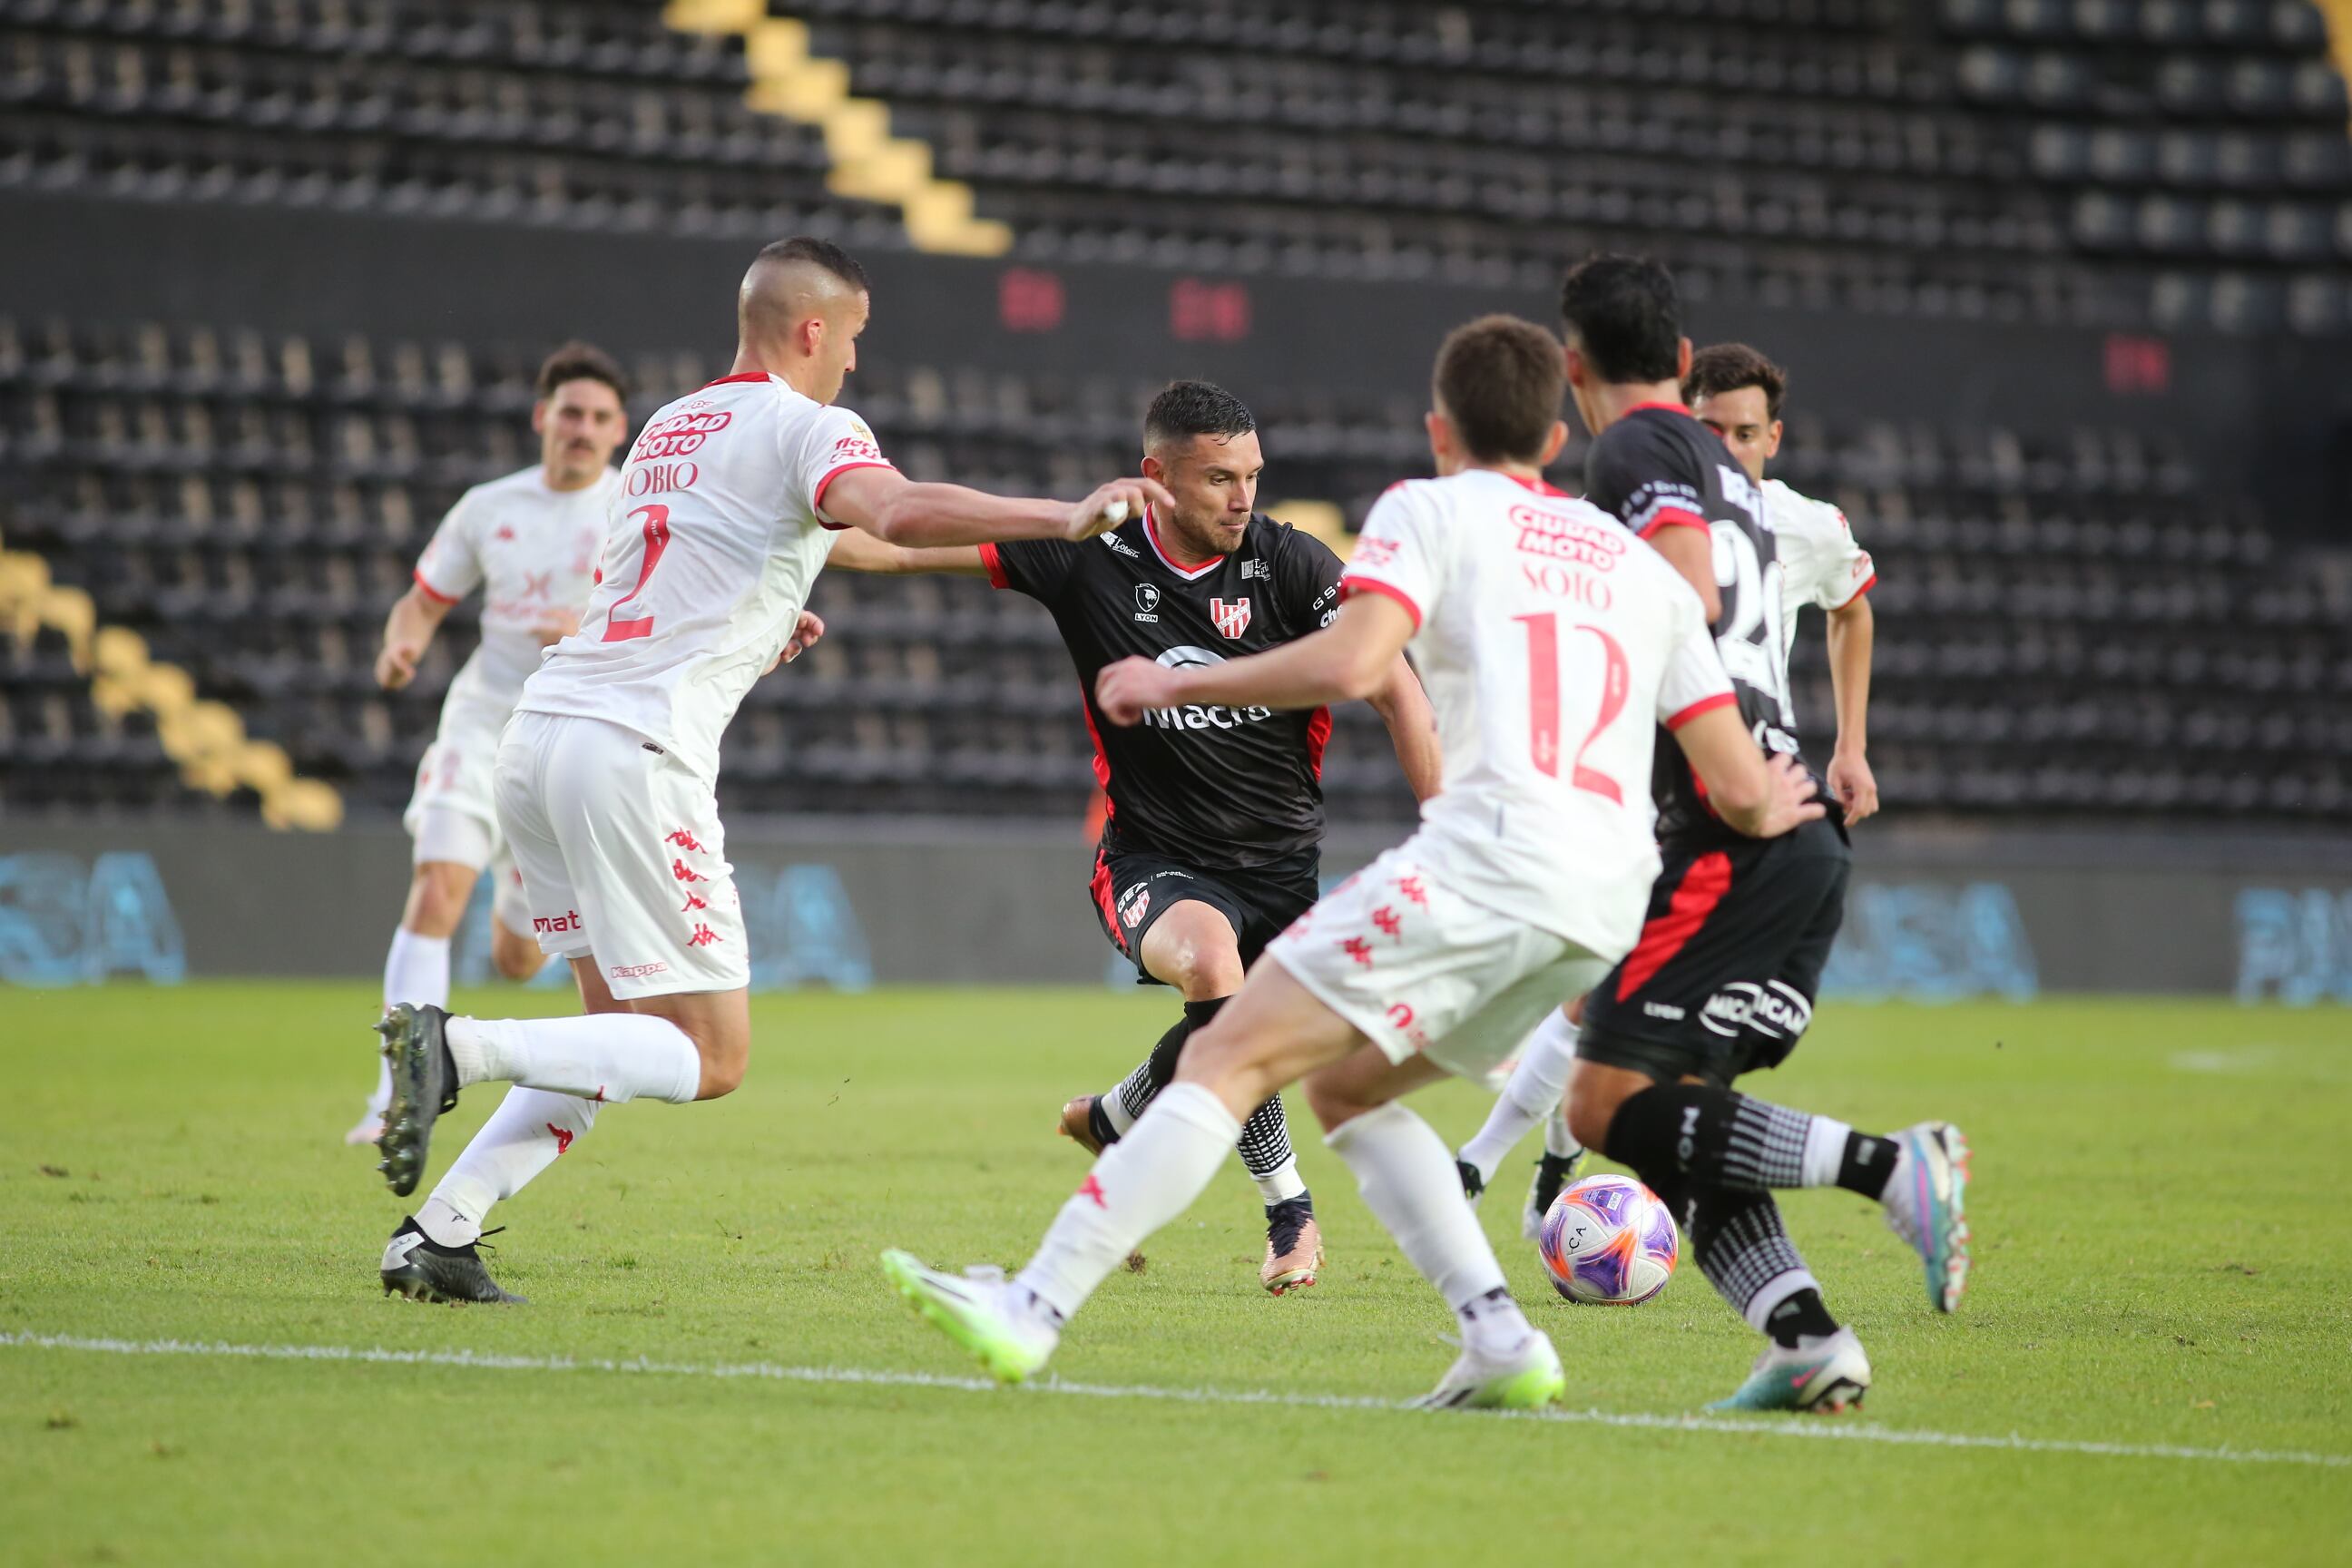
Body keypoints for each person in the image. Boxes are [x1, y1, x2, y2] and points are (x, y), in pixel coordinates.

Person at [881, 315, 1822, 1408]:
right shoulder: (1633, 554)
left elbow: (1362, 662)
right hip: (1606, 894)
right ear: (1555, 439)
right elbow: (1739, 779)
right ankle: (1500, 1337)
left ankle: (1031, 1308)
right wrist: (1781, 800)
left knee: (1230, 1055)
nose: (1244, 495)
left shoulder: (1425, 509)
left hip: (1483, 863)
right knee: (1343, 1084)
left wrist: (1171, 682)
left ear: (1439, 431)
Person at [369, 236, 1171, 1303]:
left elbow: (769, 551)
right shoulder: (812, 426)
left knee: (613, 1039)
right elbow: (890, 510)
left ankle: (436, 1234)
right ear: (811, 329)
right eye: (852, 338)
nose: (854, 363)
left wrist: (763, 621)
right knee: (711, 1058)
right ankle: (456, 1046)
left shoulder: (669, 426)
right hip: (635, 754)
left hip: (543, 731)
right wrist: (1059, 516)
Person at [829, 379, 1442, 1295]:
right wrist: (749, 541)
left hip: (1283, 872)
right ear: (1155, 477)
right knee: (1210, 968)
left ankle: (1114, 1114)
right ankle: (1291, 1212)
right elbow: (891, 554)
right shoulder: (1088, 555)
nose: (1243, 498)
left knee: (1234, 1028)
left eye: (1254, 477)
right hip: (1152, 861)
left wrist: (1445, 823)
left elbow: (1393, 686)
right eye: (1219, 480)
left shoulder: (1295, 566)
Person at [1534, 254, 1966, 1412]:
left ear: (1573, 366)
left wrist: (1706, 768)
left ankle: (1892, 1167)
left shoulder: (1631, 450)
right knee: (1685, 1122)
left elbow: (1686, 593)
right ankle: (1804, 1338)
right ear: (1681, 361)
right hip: (1779, 829)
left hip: (1736, 824)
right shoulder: (1727, 474)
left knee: (1602, 1105)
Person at [1452, 339, 1881, 1231]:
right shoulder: (1640, 510)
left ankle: (1513, 1170)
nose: (1730, 445)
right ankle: (1512, 1171)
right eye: (1712, 427)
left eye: (1748, 432)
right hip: (1646, 786)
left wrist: (1852, 746)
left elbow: (1852, 605)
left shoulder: (1806, 524)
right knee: (1601, 990)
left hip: (1737, 798)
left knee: (1621, 1007)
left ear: (1776, 436)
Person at [348, 342, 630, 1147]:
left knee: (515, 960)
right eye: (570, 412)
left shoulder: (632, 511)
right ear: (543, 417)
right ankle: (393, 1098)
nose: (582, 428)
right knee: (436, 890)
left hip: (566, 737)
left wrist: (587, 628)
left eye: (599, 417)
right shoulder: (487, 506)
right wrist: (400, 646)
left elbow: (662, 621)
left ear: (619, 433)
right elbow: (423, 601)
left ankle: (519, 896)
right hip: (480, 723)